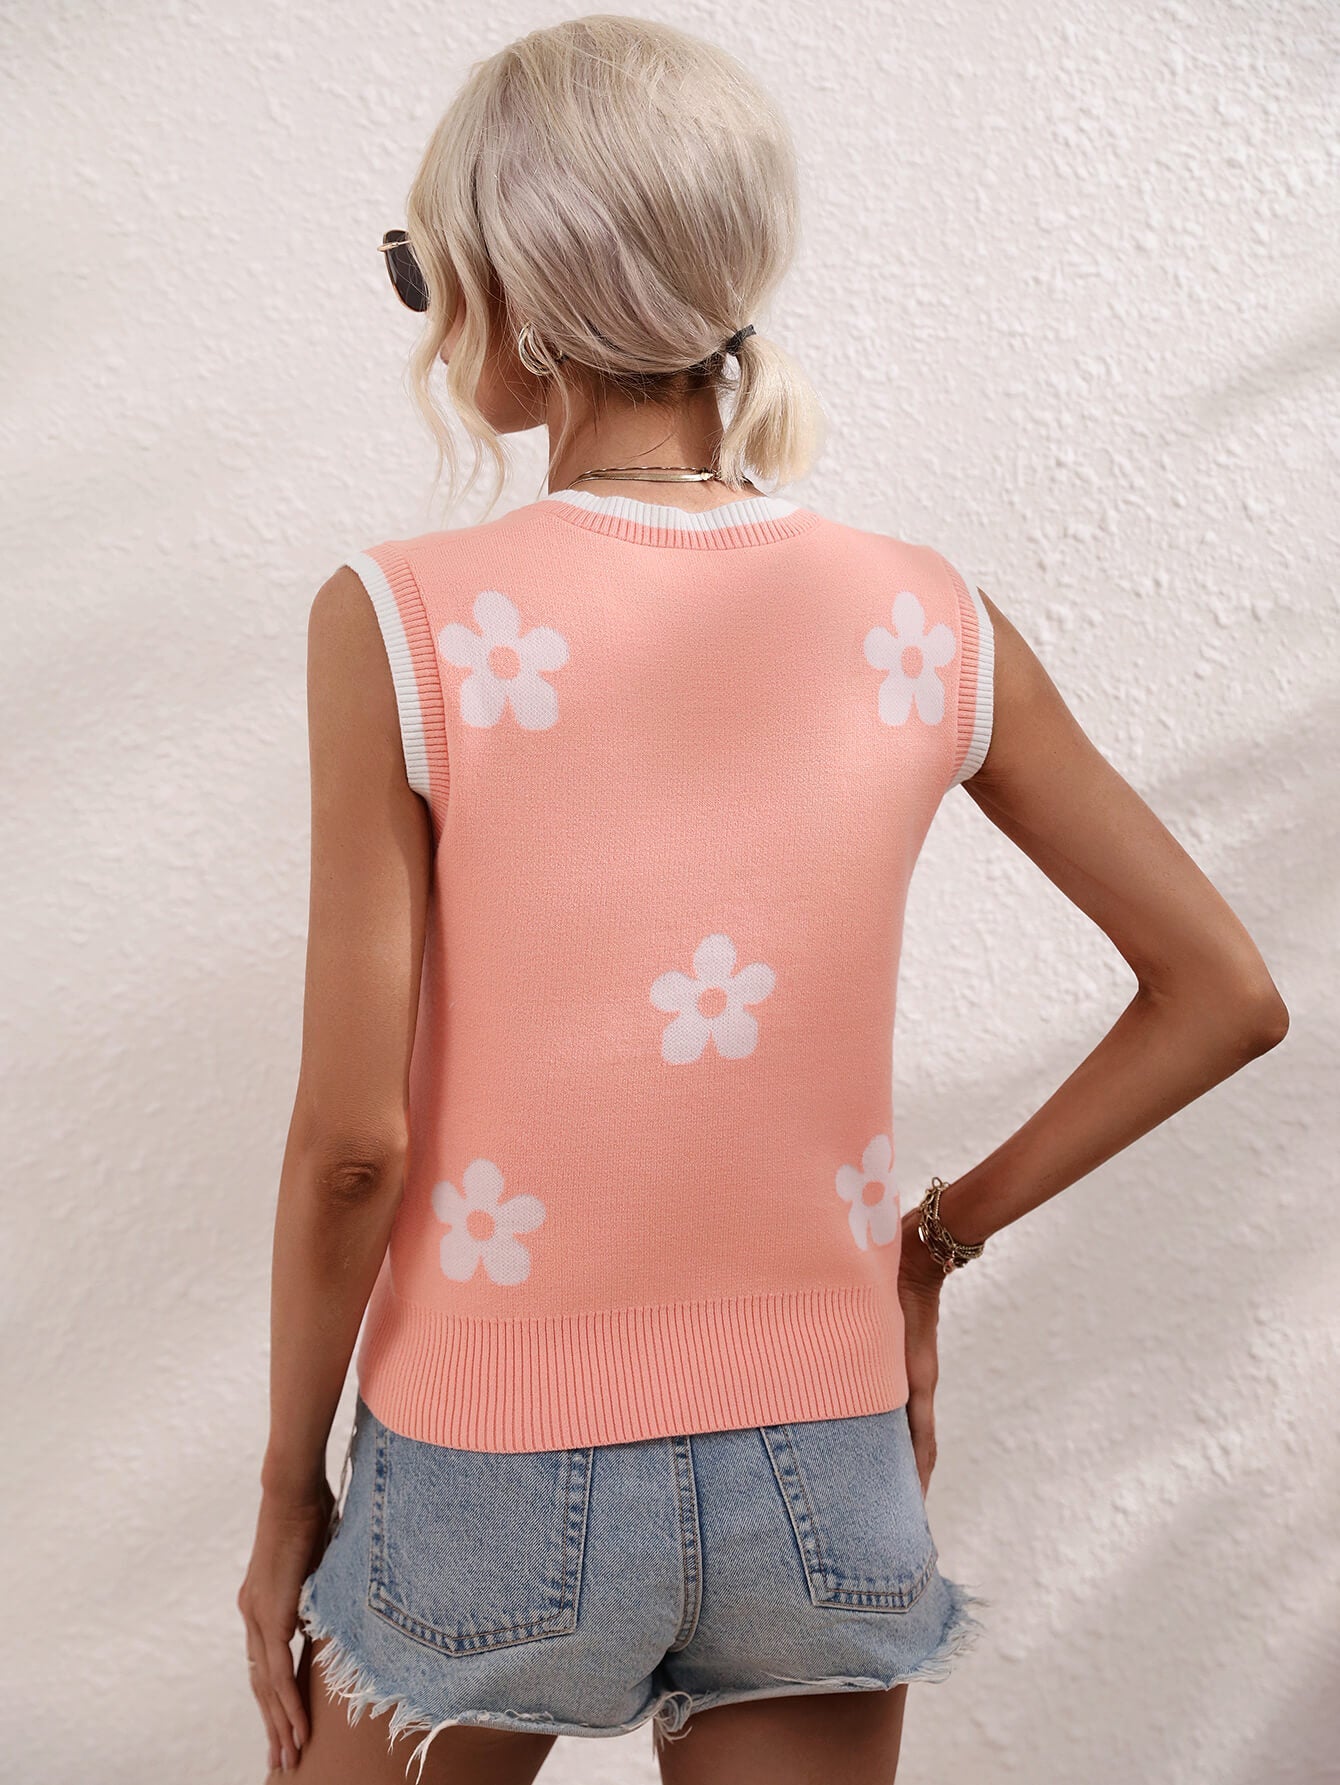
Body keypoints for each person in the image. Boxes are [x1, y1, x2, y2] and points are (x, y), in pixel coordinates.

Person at [236, 16, 1289, 1785]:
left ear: (519, 290)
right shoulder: (926, 616)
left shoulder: (404, 622)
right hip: (828, 1449)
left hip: (490, 1457)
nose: (428, 310)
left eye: (427, 265)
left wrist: (286, 1491)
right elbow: (1223, 992)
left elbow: (355, 1144)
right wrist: (932, 1243)